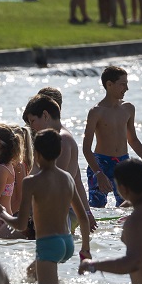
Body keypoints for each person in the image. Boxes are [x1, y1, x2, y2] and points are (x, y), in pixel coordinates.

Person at [0, 129, 92, 284]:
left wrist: (2, 214)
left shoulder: (31, 182)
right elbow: (83, 218)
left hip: (49, 244)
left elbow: (21, 225)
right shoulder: (68, 178)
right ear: (59, 152)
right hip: (67, 243)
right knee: (30, 275)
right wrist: (85, 250)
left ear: (36, 153)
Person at [23, 92, 96, 233]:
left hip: (59, 214)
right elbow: (76, 180)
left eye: (32, 121)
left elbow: (52, 183)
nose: (32, 127)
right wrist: (87, 212)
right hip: (64, 212)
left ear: (45, 115)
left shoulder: (61, 140)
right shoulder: (60, 138)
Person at [83, 66, 142, 208]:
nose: (126, 88)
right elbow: (86, 148)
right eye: (122, 84)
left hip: (123, 163)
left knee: (127, 207)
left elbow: (132, 139)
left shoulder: (128, 108)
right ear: (109, 84)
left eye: (127, 83)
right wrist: (98, 173)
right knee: (98, 207)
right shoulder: (96, 112)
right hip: (101, 163)